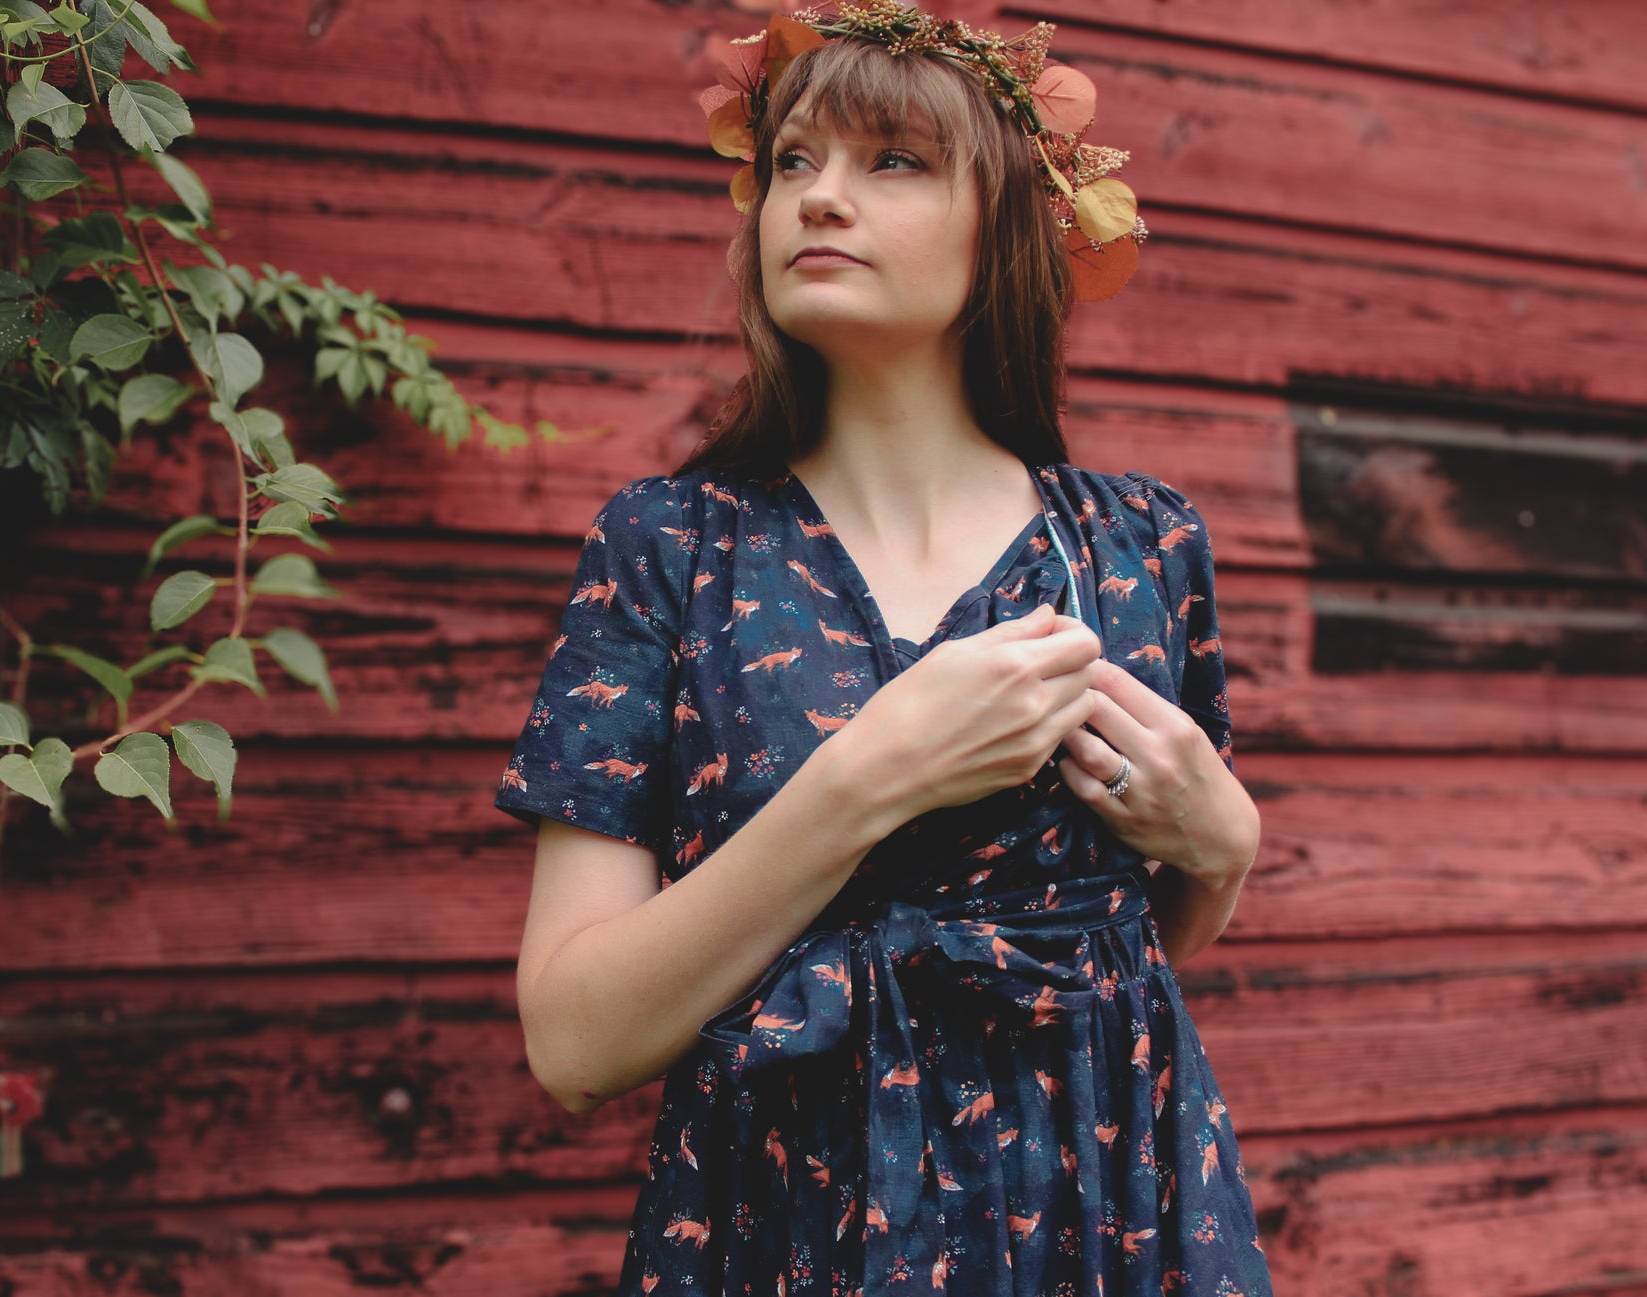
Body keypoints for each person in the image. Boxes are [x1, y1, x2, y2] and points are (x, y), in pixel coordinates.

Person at [495, 5, 1273, 1294]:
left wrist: (1225, 851)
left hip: (1104, 1214)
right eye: (794, 163)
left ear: (1011, 223)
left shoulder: (1140, 546)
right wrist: (870, 779)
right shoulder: (670, 550)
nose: (819, 199)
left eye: (892, 161)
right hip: (784, 1224)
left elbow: (1132, 945)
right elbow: (574, 1042)